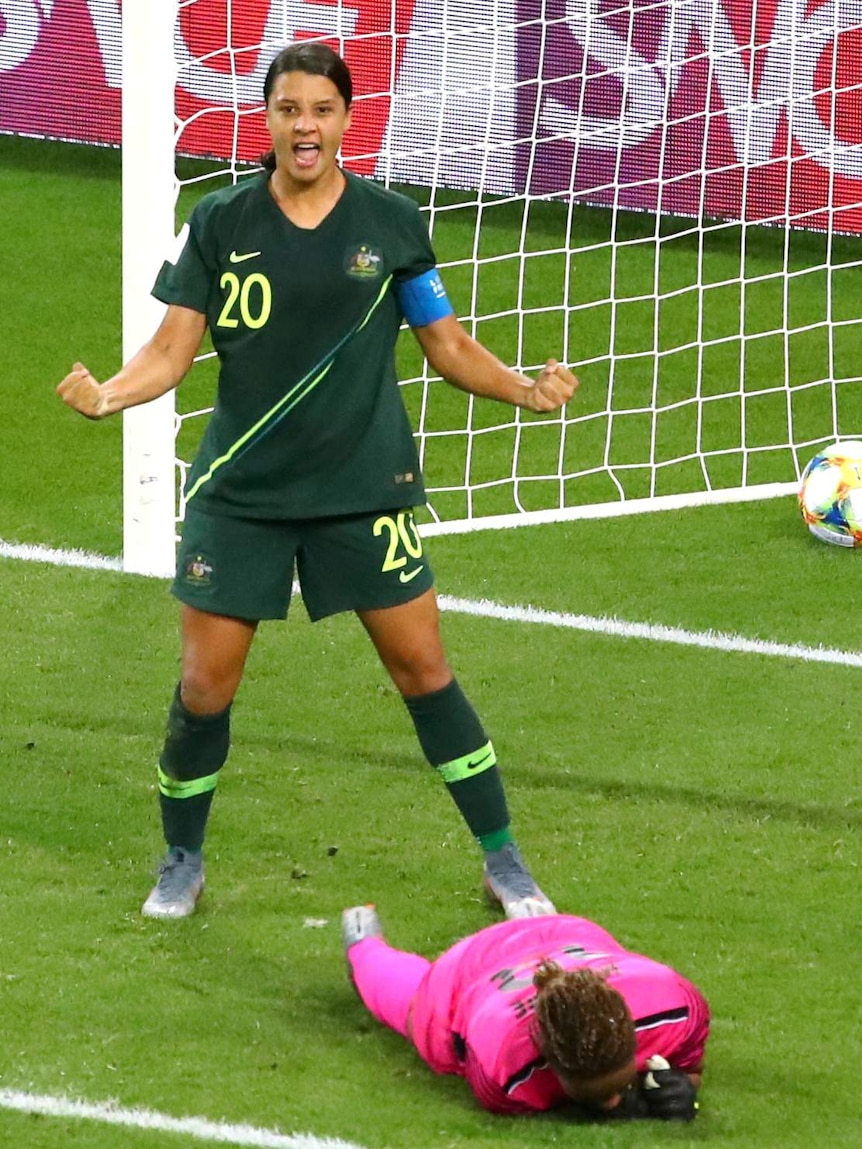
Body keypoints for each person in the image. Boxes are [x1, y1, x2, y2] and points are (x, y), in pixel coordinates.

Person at [56, 41, 578, 922]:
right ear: (266, 118)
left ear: (345, 118)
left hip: (366, 489)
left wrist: (524, 388)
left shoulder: (391, 223)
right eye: (289, 109)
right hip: (243, 496)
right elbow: (171, 351)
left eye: (322, 110)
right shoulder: (221, 222)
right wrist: (110, 394)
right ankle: (182, 857)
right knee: (203, 687)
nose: (305, 126)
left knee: (425, 670)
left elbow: (445, 345)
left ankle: (504, 858)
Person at [341, 905, 709, 1120]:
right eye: (595, 1093)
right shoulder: (503, 1067)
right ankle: (364, 946)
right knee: (412, 1007)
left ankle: (526, 905)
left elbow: (689, 1068)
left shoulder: (677, 1008)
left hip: (563, 934)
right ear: (548, 1056)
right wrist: (636, 1107)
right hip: (467, 972)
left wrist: (685, 1084)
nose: (612, 1101)